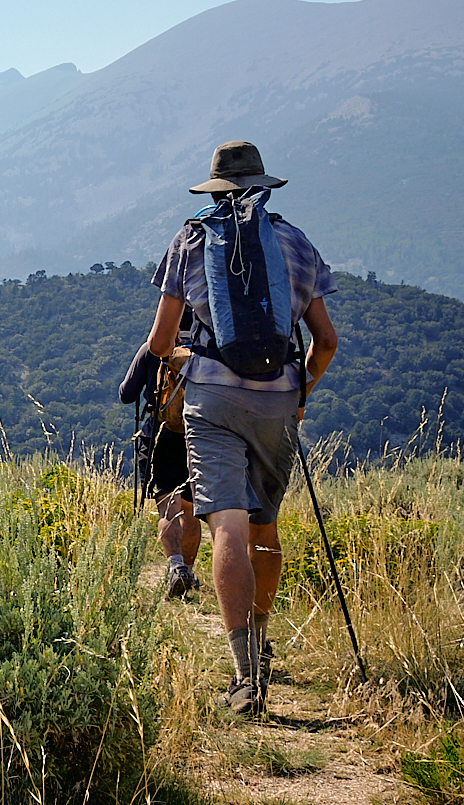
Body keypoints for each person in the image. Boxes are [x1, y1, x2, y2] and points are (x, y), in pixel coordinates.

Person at [143, 141, 339, 715]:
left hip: (212, 400)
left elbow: (159, 343)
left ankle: (245, 677)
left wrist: (193, 358)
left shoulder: (192, 239)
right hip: (279, 400)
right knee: (264, 528)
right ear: (262, 185)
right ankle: (262, 635)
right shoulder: (295, 241)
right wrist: (300, 389)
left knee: (226, 524)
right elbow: (326, 341)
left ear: (214, 188)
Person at [120, 341, 201, 598]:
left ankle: (176, 567)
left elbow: (127, 394)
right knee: (191, 508)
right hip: (199, 435)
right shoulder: (206, 347)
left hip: (160, 434)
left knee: (169, 505)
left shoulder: (154, 347)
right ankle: (188, 570)